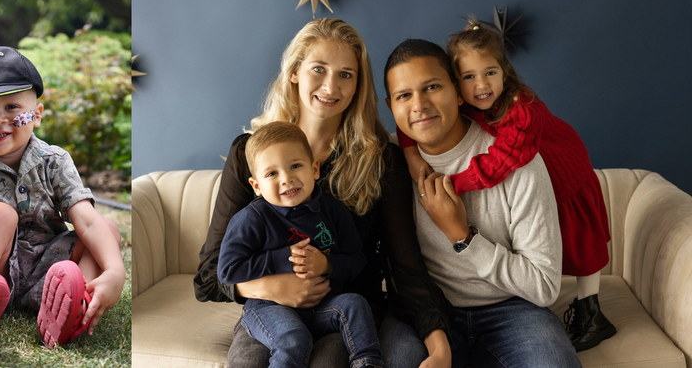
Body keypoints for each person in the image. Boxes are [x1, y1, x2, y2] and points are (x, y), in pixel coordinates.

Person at [194, 18, 453, 368]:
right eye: (319, 69)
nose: (331, 86)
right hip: (271, 311)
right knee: (251, 361)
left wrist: (439, 345)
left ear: (358, 85)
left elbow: (403, 264)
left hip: (345, 311)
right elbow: (210, 275)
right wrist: (270, 288)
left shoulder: (381, 161)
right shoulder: (250, 154)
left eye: (346, 74)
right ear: (295, 73)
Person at [395, 23, 614, 351]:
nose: (481, 85)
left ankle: (591, 311)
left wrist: (452, 185)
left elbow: (500, 163)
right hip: (441, 309)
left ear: (505, 71)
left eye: (490, 73)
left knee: (582, 244)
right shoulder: (459, 104)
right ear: (458, 86)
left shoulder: (521, 111)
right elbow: (413, 115)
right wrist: (411, 154)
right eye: (469, 77)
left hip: (564, 170)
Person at [0, 46, 125, 352]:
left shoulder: (55, 160)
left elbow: (86, 219)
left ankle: (72, 306)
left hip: (46, 274)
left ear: (36, 115)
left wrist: (115, 271)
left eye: (11, 107)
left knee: (107, 230)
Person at [218, 121, 383, 368]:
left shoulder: (333, 211)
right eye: (272, 173)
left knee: (355, 304)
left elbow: (356, 260)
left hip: (323, 307)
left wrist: (326, 264)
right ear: (256, 186)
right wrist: (278, 259)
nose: (287, 179)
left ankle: (367, 362)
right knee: (294, 337)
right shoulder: (252, 219)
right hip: (269, 308)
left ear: (314, 168)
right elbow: (228, 270)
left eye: (295, 166)